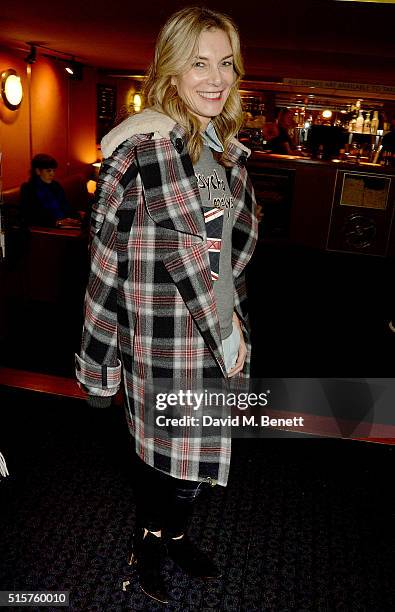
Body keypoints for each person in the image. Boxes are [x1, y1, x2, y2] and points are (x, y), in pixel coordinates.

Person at [75, 6, 258, 604]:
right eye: (198, 62)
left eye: (225, 62)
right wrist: (97, 361)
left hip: (222, 339)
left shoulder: (227, 153)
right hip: (163, 344)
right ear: (171, 72)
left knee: (201, 467)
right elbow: (105, 267)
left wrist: (234, 325)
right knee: (168, 469)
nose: (216, 77)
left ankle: (173, 534)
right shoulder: (140, 154)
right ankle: (151, 541)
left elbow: (229, 255)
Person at [20, 154, 81, 228]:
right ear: (38, 171)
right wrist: (58, 222)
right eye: (48, 171)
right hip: (46, 229)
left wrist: (76, 217)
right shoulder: (28, 189)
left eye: (53, 171)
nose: (52, 174)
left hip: (64, 224)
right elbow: (32, 216)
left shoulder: (55, 185)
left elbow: (65, 205)